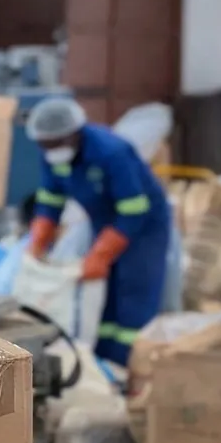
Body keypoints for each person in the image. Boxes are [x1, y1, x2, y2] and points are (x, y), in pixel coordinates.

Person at [24, 97, 171, 369]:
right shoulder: (52, 157)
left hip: (144, 230)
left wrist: (101, 254)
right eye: (45, 145)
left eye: (56, 143)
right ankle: (101, 365)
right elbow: (50, 201)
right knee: (104, 297)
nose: (51, 150)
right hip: (104, 223)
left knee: (133, 295)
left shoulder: (110, 152)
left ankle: (130, 368)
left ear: (73, 134)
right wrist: (38, 241)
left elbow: (134, 209)